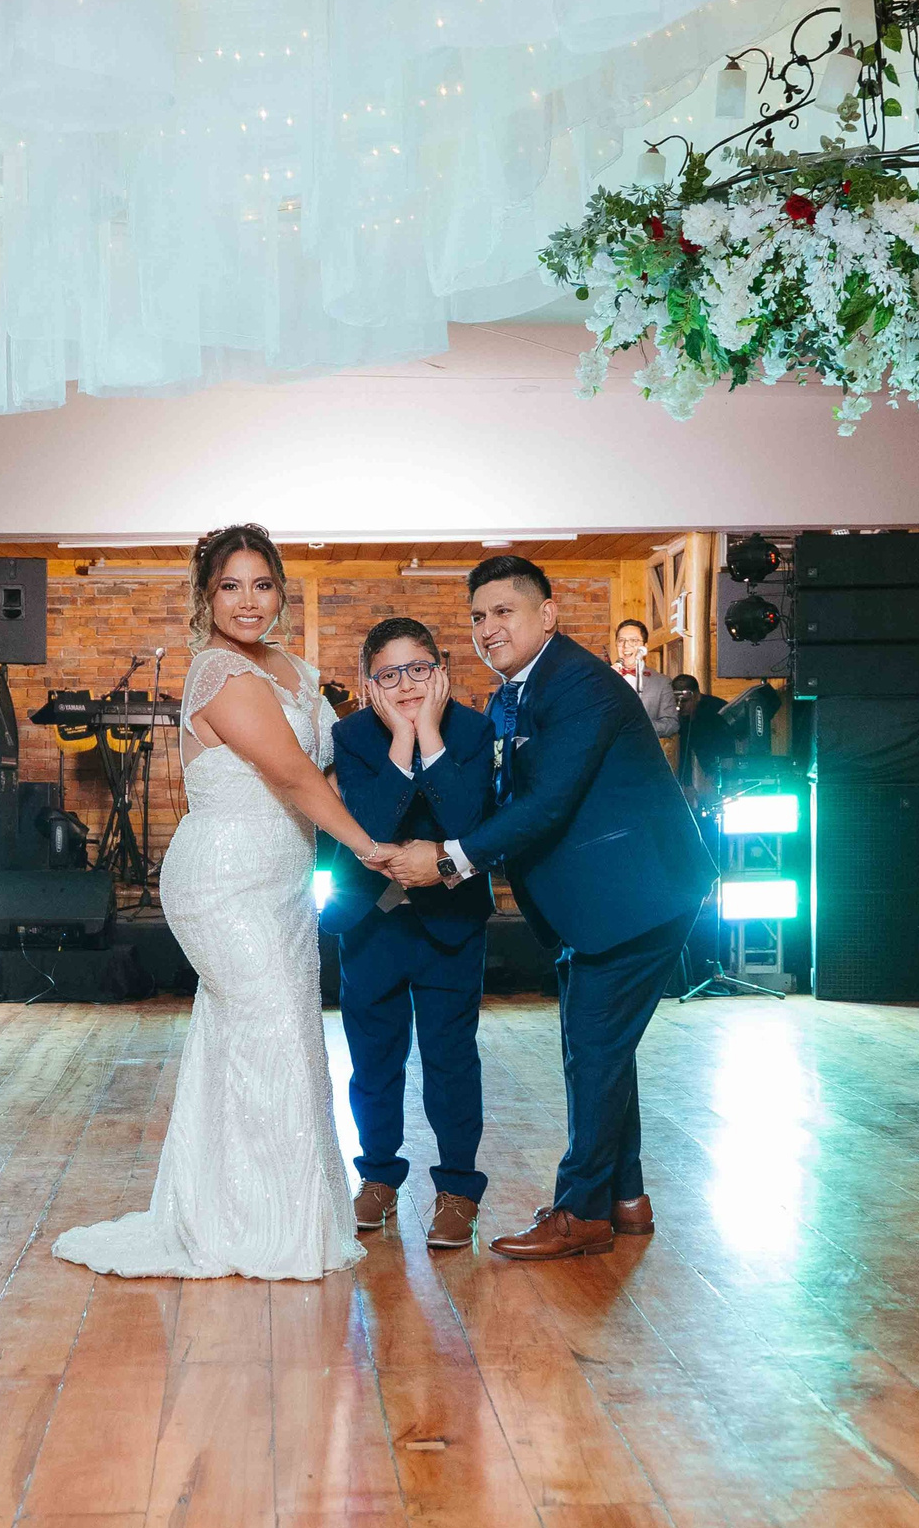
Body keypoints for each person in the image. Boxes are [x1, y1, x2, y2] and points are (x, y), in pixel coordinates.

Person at [53, 524, 394, 1281]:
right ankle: (261, 1229)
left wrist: (404, 729)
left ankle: (234, 1211)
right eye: (230, 586)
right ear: (206, 597)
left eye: (262, 584)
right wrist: (374, 853)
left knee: (273, 1035)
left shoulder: (295, 670)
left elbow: (341, 773)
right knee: (272, 1029)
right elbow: (298, 779)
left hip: (280, 883)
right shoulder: (218, 673)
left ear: (279, 589)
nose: (249, 601)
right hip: (221, 883)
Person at [379, 557, 715, 1261]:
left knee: (591, 1050)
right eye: (477, 617)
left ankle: (582, 1212)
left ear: (548, 614)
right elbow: (503, 802)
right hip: (599, 900)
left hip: (636, 896)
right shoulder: (522, 690)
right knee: (600, 1049)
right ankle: (626, 1199)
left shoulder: (579, 685)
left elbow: (546, 804)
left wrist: (445, 860)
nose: (487, 628)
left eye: (504, 611)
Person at [322, 617, 496, 1251]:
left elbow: (469, 820)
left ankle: (456, 1188)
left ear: (441, 669)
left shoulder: (475, 730)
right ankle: (378, 1177)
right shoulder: (352, 735)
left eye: (418, 669)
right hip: (373, 920)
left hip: (450, 920)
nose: (405, 684)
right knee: (373, 1062)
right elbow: (365, 825)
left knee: (451, 1060)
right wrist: (401, 741)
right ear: (371, 682)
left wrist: (429, 733)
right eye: (388, 675)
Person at [670, 673, 735, 800]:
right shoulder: (682, 717)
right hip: (708, 765)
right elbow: (684, 750)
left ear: (697, 696)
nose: (679, 706)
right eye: (676, 701)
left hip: (727, 764)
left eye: (685, 701)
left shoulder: (718, 711)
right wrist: (687, 783)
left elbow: (728, 746)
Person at [614, 618, 680, 740]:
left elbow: (671, 724)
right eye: (621, 641)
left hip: (643, 752)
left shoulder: (661, 682)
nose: (626, 646)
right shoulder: (604, 679)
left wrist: (639, 727)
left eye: (633, 641)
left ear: (645, 647)